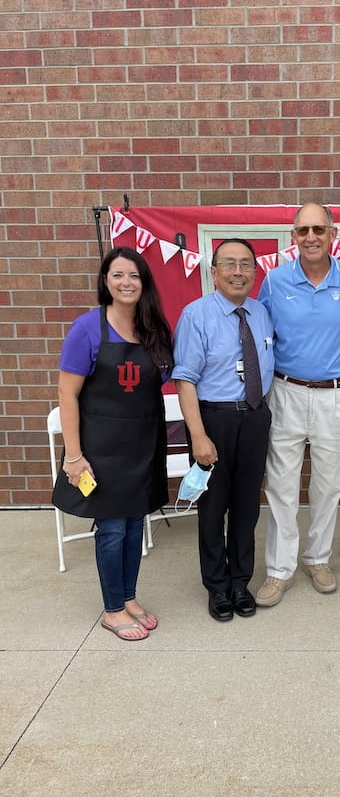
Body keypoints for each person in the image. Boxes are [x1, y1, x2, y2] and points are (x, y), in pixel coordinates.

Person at [52, 247, 173, 641]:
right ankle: (112, 609)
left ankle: (129, 597)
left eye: (134, 275)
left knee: (136, 522)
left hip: (143, 444)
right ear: (105, 281)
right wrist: (74, 456)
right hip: (102, 450)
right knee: (112, 530)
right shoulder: (87, 328)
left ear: (144, 283)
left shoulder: (153, 327)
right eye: (118, 275)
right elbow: (67, 394)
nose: (126, 282)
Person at [255, 203, 340, 607]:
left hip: (336, 394)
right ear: (293, 237)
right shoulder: (274, 279)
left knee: (328, 485)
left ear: (334, 234)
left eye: (319, 229)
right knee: (281, 485)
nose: (311, 237)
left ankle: (318, 558)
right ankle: (279, 569)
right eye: (303, 230)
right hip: (285, 391)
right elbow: (257, 331)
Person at [172, 239, 274, 622]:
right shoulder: (196, 315)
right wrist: (197, 436)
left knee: (247, 508)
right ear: (213, 272)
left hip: (254, 418)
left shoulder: (261, 313)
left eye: (245, 264)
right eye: (228, 264)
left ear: (253, 271)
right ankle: (216, 586)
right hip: (213, 420)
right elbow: (185, 380)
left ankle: (239, 581)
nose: (237, 271)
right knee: (213, 508)